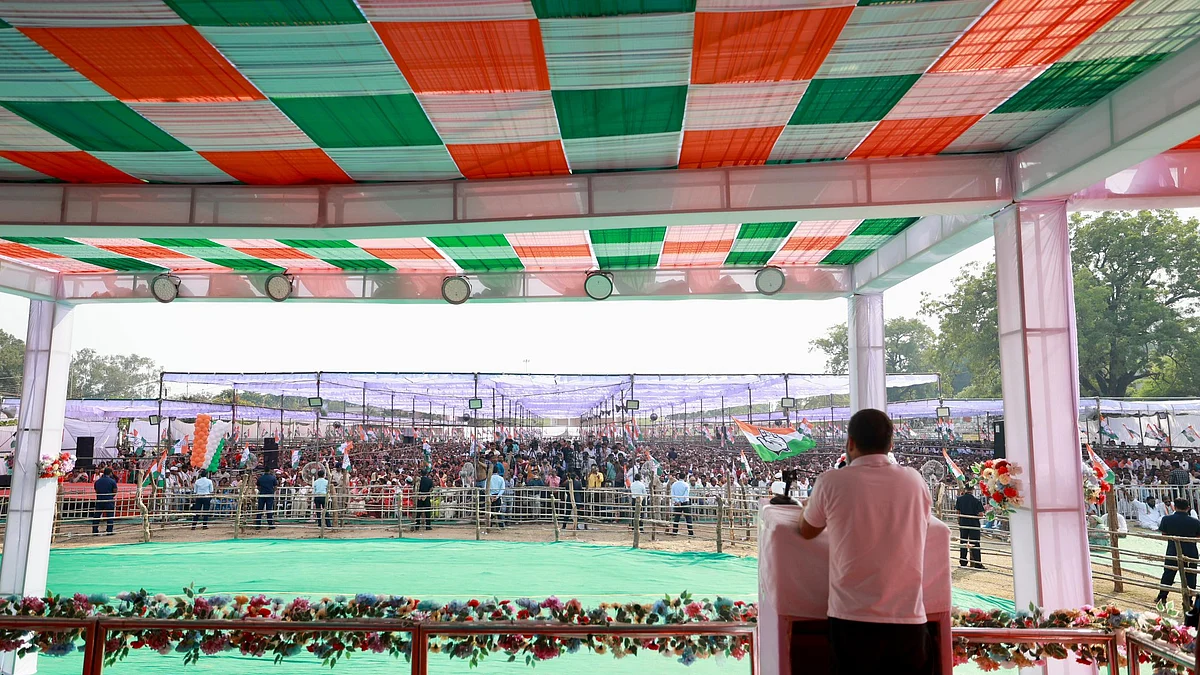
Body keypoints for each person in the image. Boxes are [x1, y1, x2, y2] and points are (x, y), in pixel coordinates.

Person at [800, 408, 932, 675]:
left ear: (850, 442)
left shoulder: (832, 481)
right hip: (907, 616)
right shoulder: (914, 481)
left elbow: (808, 530)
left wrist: (806, 507)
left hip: (852, 617)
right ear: (890, 444)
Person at [1156, 498, 1200, 604]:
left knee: (1168, 574)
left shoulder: (1166, 519)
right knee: (1191, 576)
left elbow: (1164, 534)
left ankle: (1162, 597)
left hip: (1173, 550)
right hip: (1191, 552)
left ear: (1174, 507)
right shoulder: (1195, 522)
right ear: (1188, 508)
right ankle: (1188, 600)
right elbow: (1198, 536)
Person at [955, 484, 986, 569]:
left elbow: (958, 512)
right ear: (973, 489)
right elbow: (981, 514)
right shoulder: (976, 500)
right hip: (974, 524)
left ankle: (963, 561)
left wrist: (959, 521)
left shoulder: (959, 499)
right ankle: (977, 563)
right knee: (975, 543)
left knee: (963, 542)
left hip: (963, 522)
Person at [92, 467, 118, 536]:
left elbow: (96, 490)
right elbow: (115, 491)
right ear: (110, 473)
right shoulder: (112, 481)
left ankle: (94, 530)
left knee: (97, 515)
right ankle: (109, 530)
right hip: (109, 499)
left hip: (100, 499)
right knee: (110, 516)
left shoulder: (98, 481)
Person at [669, 471, 694, 536]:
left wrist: (678, 501)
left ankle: (674, 531)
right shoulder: (686, 485)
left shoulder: (674, 484)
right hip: (685, 502)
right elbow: (686, 495)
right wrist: (681, 501)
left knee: (676, 517)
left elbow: (672, 494)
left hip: (677, 502)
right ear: (685, 477)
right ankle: (690, 532)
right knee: (688, 517)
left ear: (678, 477)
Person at [416, 467, 434, 531]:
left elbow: (415, 488)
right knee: (427, 512)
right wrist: (428, 493)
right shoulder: (429, 480)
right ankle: (428, 526)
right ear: (427, 473)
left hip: (420, 496)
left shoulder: (418, 480)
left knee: (418, 512)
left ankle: (417, 526)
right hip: (426, 496)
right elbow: (431, 488)